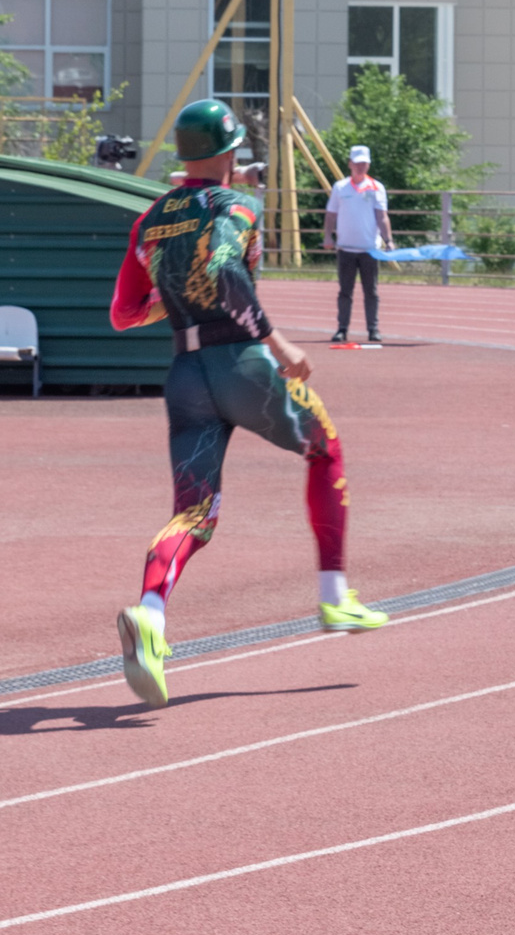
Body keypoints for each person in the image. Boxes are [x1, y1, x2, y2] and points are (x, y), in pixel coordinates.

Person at [107, 99, 390, 708]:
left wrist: (174, 299)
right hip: (241, 364)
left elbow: (124, 314)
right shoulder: (236, 205)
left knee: (195, 514)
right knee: (325, 447)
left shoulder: (150, 218)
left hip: (184, 374)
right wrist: (278, 343)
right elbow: (228, 267)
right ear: (229, 156)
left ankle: (150, 612)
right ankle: (335, 594)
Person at [324, 144, 393, 343]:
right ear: (350, 164)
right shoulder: (340, 187)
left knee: (371, 291)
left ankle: (373, 329)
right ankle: (342, 329)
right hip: (345, 248)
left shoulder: (376, 187)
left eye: (365, 163)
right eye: (358, 163)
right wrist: (328, 236)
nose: (361, 167)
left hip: (369, 249)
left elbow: (382, 216)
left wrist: (389, 240)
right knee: (345, 291)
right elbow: (331, 214)